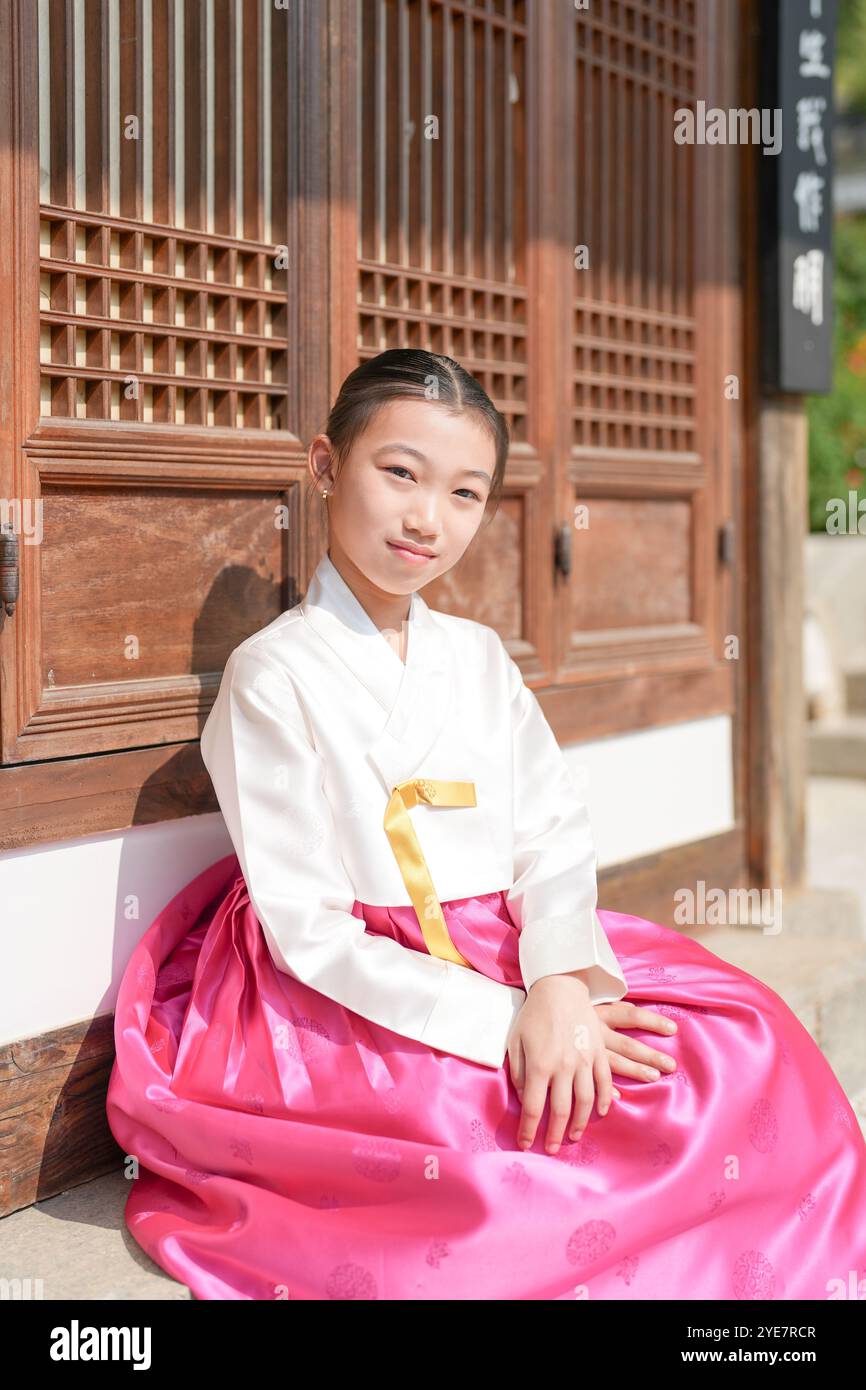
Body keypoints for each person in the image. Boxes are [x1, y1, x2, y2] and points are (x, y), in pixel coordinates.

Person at [106, 348, 866, 1301]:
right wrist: (505, 1019)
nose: (429, 519)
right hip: (349, 989)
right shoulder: (275, 675)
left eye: (466, 494)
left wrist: (554, 982)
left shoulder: (475, 656)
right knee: (515, 1138)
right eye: (400, 474)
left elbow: (549, 829)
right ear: (325, 465)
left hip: (505, 940)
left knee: (736, 1041)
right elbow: (311, 931)